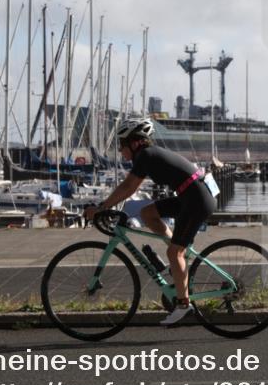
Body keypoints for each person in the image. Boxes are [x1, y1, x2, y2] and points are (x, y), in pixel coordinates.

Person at [84, 118, 217, 326]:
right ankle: (178, 265)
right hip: (190, 195)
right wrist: (107, 206)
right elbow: (127, 188)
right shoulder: (148, 155)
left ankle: (183, 305)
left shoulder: (145, 155)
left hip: (197, 200)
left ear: (135, 143)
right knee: (148, 213)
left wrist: (102, 208)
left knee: (174, 252)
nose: (120, 151)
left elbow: (129, 187)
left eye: (121, 145)